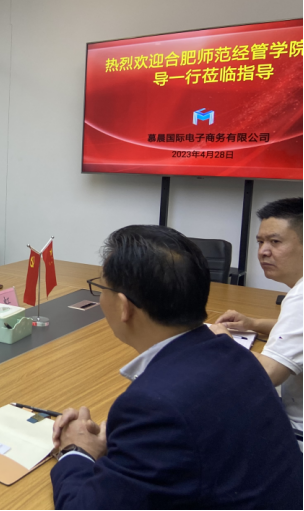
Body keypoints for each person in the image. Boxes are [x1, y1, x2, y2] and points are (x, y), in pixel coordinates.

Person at [50, 225, 302, 509]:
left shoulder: (153, 406)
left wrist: (76, 450)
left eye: (101, 288)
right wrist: (128, 438)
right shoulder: (235, 354)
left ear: (124, 307)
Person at [215, 197, 302, 449]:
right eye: (260, 242)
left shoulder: (301, 298)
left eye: (275, 241)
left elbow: (266, 374)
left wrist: (224, 341)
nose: (263, 251)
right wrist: (253, 323)